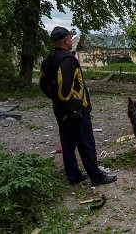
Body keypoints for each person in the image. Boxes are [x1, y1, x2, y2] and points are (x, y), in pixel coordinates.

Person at [39, 26, 117, 186]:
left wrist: (54, 100)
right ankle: (97, 176)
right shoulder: (67, 59)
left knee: (68, 143)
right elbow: (64, 86)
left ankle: (74, 175)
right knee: (86, 143)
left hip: (59, 110)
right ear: (67, 40)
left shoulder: (48, 59)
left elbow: (42, 83)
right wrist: (70, 108)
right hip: (75, 110)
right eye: (70, 38)